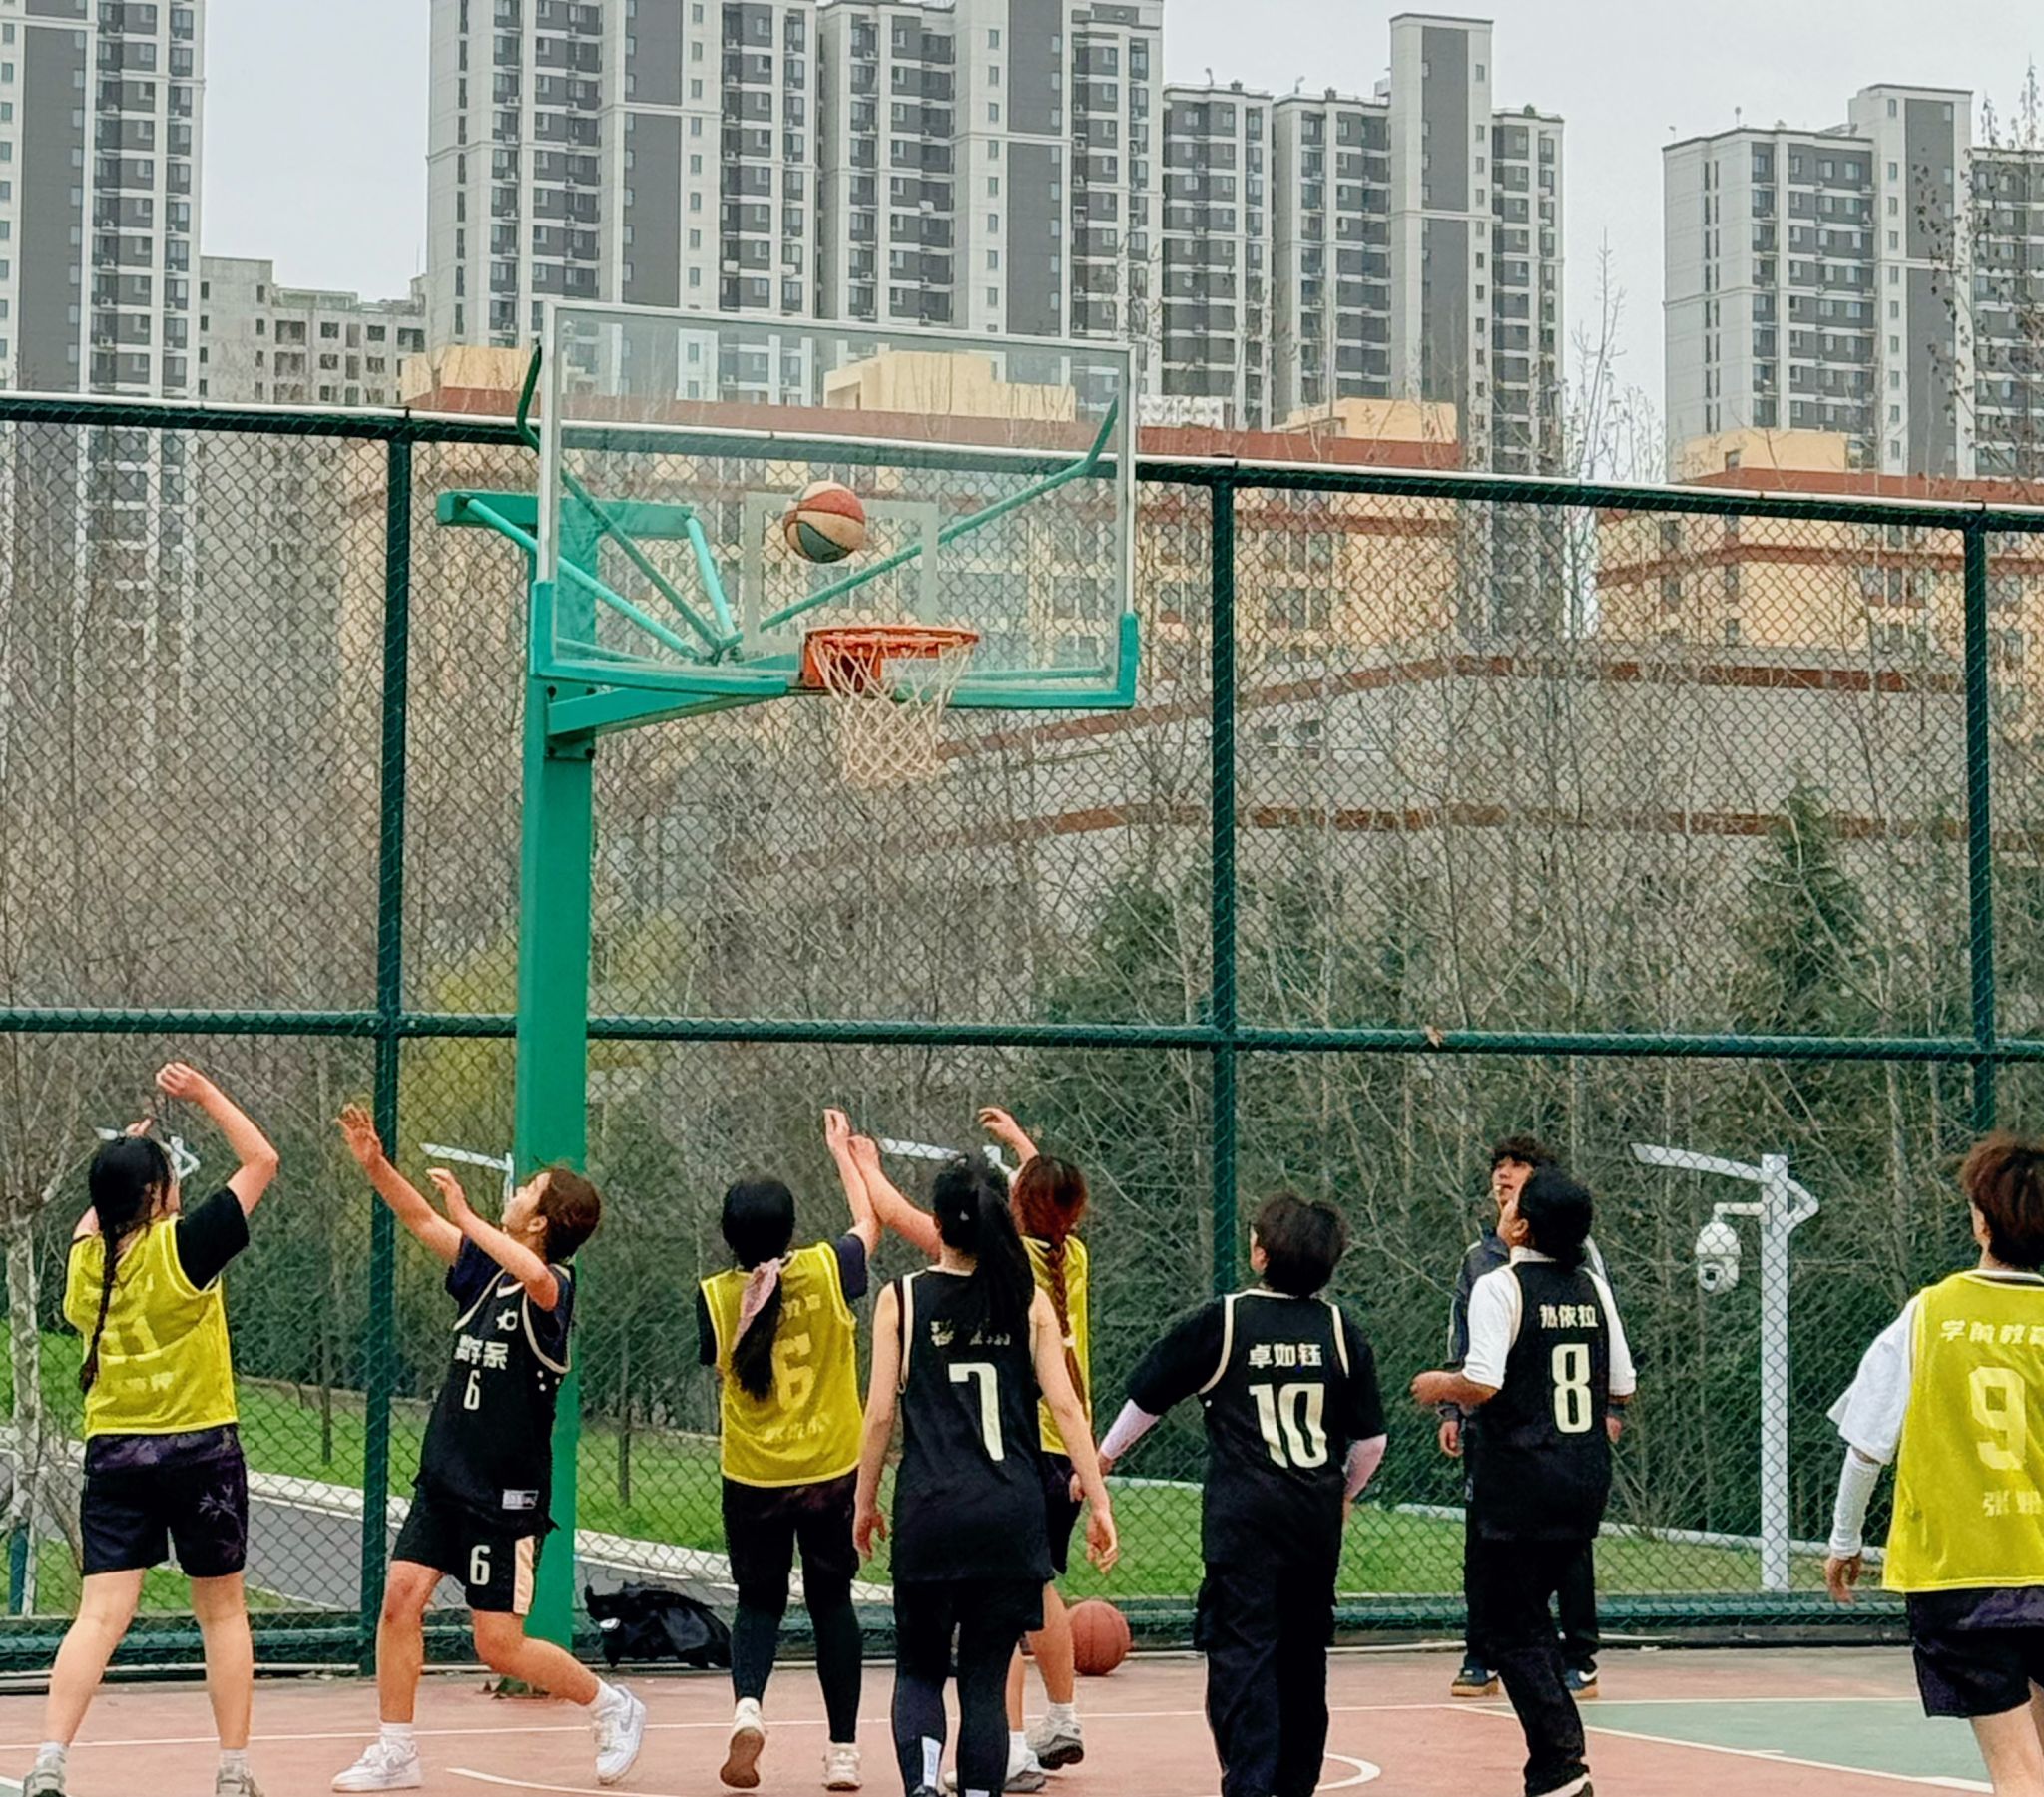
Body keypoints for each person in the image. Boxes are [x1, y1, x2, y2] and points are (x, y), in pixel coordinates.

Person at [330, 1108, 644, 1793]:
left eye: (528, 1189)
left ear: (540, 1222)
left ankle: (611, 1705)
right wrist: (376, 1165)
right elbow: (419, 1218)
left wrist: (470, 1216)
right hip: (446, 1477)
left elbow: (536, 1278)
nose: (517, 1190)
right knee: (400, 1600)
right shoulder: (483, 1273)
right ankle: (396, 1749)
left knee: (497, 1644)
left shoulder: (553, 1289)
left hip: (504, 1496)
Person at [26, 1063, 278, 1797]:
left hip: (116, 1453)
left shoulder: (84, 1268)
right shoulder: (185, 1249)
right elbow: (262, 1159)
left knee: (99, 1615)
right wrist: (204, 1094)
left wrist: (123, 1164)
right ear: (159, 1194)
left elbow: (93, 1221)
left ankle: (50, 1760)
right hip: (201, 1450)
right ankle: (232, 1771)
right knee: (222, 1612)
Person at [1094, 1192, 1387, 1797]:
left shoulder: (1226, 1322)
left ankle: (1250, 1783)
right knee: (1304, 1657)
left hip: (1245, 1519)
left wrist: (1101, 1459)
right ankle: (1294, 1782)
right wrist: (1343, 1493)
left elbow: (1148, 1397)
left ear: (1260, 1255)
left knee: (1242, 1655)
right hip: (1312, 1520)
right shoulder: (1340, 1331)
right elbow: (1372, 1443)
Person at [852, 1154, 1117, 1797]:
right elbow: (1066, 1408)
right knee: (983, 1680)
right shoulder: (1027, 1302)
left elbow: (880, 1413)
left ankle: (922, 1784)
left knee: (920, 1670)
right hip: (1010, 1514)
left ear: (938, 1222)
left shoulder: (902, 1300)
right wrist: (1100, 1499)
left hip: (932, 1511)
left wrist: (863, 1502)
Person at [1825, 1134, 2044, 1797]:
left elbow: (1867, 1446)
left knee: (2020, 1772)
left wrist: (1845, 1539)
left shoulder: (1928, 1315)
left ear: (1982, 1222)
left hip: (1963, 1576)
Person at [1412, 1166, 1635, 1797]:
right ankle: (1558, 1765)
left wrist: (1439, 1385)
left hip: (1520, 1481)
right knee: (1529, 1618)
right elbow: (1623, 1385)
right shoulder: (1593, 1288)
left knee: (1508, 1627)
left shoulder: (1500, 1286)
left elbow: (1482, 1381)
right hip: (1583, 1476)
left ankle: (1561, 1766)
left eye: (1514, 1204)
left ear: (1523, 1227)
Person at [699, 1110, 880, 1792]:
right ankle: (843, 1752)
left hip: (754, 1474)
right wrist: (845, 1155)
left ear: (728, 1238)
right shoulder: (830, 1269)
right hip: (830, 1469)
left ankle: (748, 1705)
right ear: (792, 1228)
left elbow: (718, 1362)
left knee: (758, 1601)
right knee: (833, 1604)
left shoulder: (715, 1298)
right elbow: (869, 1223)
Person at [1439, 1137, 1612, 1700]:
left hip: (1554, 1434)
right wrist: (1452, 1407)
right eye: (1499, 1167)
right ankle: (1482, 1654)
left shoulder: (1580, 1266)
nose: (1503, 1176)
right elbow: (1463, 1341)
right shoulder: (1480, 1262)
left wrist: (1607, 1409)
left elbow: (1604, 1346)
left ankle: (1577, 1655)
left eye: (1517, 1168)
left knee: (1563, 1549)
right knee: (1486, 1545)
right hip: (1501, 1437)